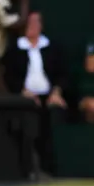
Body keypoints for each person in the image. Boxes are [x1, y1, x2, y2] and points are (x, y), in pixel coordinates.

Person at [4, 10, 68, 176]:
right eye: (28, 23)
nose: (32, 26)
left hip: (50, 96)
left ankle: (53, 169)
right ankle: (29, 169)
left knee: (54, 115)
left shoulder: (52, 47)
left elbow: (63, 74)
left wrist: (57, 92)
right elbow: (10, 77)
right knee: (29, 121)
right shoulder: (14, 50)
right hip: (25, 98)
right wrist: (25, 93)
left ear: (41, 25)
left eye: (35, 22)